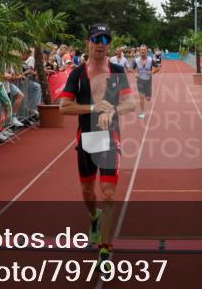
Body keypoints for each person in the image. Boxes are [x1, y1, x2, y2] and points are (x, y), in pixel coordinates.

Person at [59, 24, 137, 264]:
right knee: (87, 191)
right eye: (97, 38)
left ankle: (106, 248)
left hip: (110, 138)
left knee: (109, 193)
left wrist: (112, 110)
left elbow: (130, 104)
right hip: (86, 137)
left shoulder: (117, 71)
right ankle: (94, 216)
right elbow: (64, 107)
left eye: (106, 39)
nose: (102, 43)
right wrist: (94, 108)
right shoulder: (77, 74)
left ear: (109, 44)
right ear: (88, 43)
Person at [133, 44, 160, 119]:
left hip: (148, 81)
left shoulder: (151, 60)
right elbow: (133, 69)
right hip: (140, 80)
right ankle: (142, 113)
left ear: (147, 51)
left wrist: (152, 72)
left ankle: (146, 94)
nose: (142, 51)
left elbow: (158, 68)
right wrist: (135, 74)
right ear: (139, 51)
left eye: (144, 50)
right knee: (141, 97)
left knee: (148, 99)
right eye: (141, 50)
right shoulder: (136, 60)